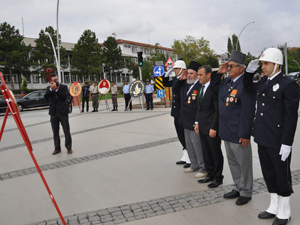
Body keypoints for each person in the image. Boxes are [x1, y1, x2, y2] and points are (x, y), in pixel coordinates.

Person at [244, 48, 300, 225]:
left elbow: (291, 118)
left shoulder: (288, 84)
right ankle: (274, 206)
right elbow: (247, 88)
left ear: (277, 64)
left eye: (265, 63)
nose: (263, 66)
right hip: (262, 136)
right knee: (268, 173)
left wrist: (287, 143)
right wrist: (248, 72)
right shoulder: (263, 82)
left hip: (278, 139)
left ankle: (285, 211)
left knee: (281, 175)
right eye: (262, 63)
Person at [210, 51, 256, 205]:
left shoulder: (245, 84)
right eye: (227, 66)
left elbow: (248, 111)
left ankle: (246, 191)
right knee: (233, 162)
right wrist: (219, 71)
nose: (228, 68)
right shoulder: (227, 82)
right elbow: (213, 87)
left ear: (241, 68)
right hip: (226, 131)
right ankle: (238, 186)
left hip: (238, 131)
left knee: (244, 164)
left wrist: (245, 134)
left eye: (231, 66)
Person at [174, 61, 207, 179]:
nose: (189, 75)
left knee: (198, 146)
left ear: (197, 74)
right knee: (189, 146)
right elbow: (175, 90)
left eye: (191, 73)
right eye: (187, 73)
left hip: (194, 121)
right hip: (185, 121)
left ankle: (203, 168)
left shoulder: (200, 86)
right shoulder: (185, 84)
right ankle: (194, 164)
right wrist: (181, 79)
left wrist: (197, 121)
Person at [194, 65, 224, 188]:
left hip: (211, 127)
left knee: (215, 153)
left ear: (209, 75)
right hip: (202, 126)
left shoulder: (214, 88)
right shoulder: (201, 88)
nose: (198, 77)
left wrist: (214, 127)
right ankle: (210, 174)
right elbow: (199, 108)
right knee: (206, 152)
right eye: (198, 74)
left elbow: (217, 110)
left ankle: (218, 177)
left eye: (201, 74)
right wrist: (196, 122)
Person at [163, 59, 190, 168]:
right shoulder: (176, 79)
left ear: (183, 70)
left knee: (185, 134)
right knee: (179, 133)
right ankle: (185, 152)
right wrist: (167, 74)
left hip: (183, 111)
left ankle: (190, 155)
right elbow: (165, 84)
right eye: (174, 68)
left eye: (177, 68)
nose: (175, 70)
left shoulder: (185, 80)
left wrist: (179, 78)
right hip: (176, 112)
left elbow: (177, 88)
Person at [44, 73, 72, 155]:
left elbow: (64, 97)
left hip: (63, 112)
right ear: (50, 81)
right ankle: (57, 148)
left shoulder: (63, 87)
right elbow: (45, 98)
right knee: (55, 132)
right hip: (53, 112)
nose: (56, 81)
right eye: (54, 80)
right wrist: (50, 89)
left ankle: (69, 148)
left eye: (57, 79)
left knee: (66, 131)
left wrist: (57, 89)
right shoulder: (49, 88)